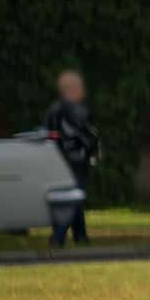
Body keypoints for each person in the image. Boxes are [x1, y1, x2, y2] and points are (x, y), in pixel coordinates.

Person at [43, 68, 98, 246]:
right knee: (73, 200)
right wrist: (93, 153)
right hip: (77, 160)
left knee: (70, 198)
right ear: (73, 89)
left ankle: (80, 235)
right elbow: (89, 137)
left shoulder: (53, 110)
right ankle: (59, 236)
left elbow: (50, 136)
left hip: (57, 160)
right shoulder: (79, 111)